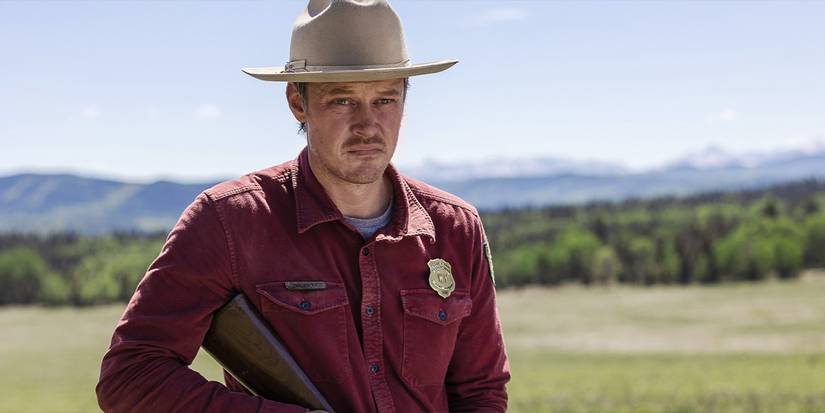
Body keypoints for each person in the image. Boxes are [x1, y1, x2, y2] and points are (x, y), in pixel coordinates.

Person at [96, 0, 510, 412]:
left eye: (385, 100)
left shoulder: (456, 227)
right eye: (342, 101)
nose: (368, 125)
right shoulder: (228, 221)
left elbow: (480, 393)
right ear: (297, 101)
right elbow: (131, 376)